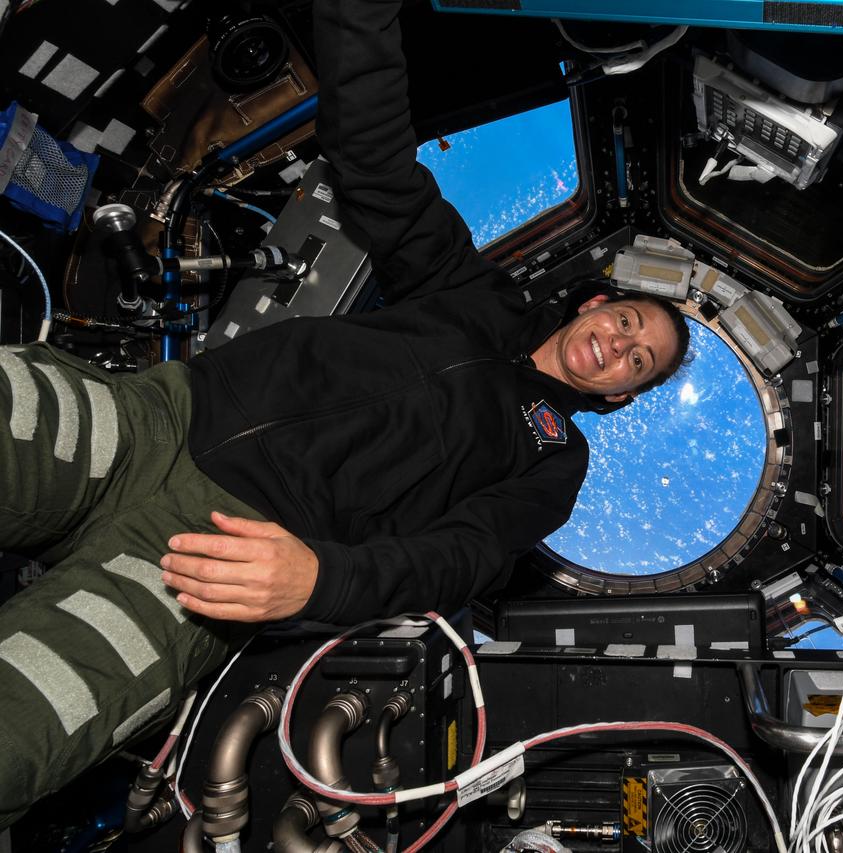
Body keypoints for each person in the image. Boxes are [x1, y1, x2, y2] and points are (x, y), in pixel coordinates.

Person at [0, 0, 689, 828]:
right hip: (157, 419)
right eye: (629, 322)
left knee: (19, 731)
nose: (620, 346)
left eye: (638, 361)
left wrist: (320, 580)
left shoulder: (556, 461)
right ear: (599, 303)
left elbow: (460, 557)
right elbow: (375, 165)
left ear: (620, 395)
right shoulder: (474, 295)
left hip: (218, 555)